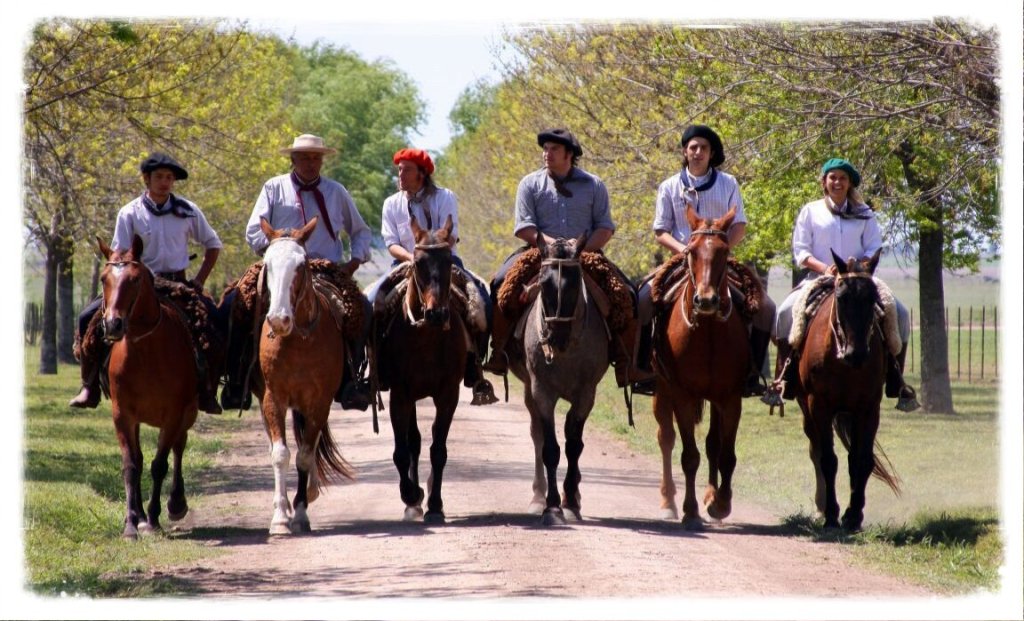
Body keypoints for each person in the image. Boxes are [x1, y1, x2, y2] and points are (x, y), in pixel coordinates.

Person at [481, 128, 652, 388]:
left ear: (569, 154)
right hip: (538, 254)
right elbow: (524, 227)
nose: (546, 154)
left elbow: (604, 228)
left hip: (585, 255)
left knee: (626, 293)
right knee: (500, 284)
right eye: (545, 148)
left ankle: (624, 362)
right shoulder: (530, 183)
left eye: (553, 149)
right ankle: (499, 352)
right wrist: (556, 246)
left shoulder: (594, 185)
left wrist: (579, 250)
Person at [221, 134, 373, 410]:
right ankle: (236, 380)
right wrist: (275, 251)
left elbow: (360, 231)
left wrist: (353, 262)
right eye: (304, 157)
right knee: (235, 304)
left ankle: (352, 380)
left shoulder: (336, 191)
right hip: (280, 265)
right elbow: (254, 229)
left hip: (325, 269)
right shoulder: (274, 187)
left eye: (316, 158)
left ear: (322, 161)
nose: (310, 163)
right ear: (292, 159)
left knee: (361, 308)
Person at [69, 152, 225, 414]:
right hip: (135, 284)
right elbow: (118, 254)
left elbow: (213, 244)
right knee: (88, 318)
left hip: (178, 285)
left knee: (213, 321)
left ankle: (208, 390)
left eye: (169, 178)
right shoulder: (129, 212)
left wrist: (199, 280)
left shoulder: (188, 211)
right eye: (159, 177)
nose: (165, 182)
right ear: (147, 179)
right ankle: (90, 386)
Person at [634, 124, 776, 397]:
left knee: (766, 307)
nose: (697, 152)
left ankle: (753, 374)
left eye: (703, 148)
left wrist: (721, 251)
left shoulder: (729, 183)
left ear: (712, 154)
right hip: (681, 258)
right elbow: (661, 230)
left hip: (720, 261)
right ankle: (644, 370)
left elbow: (740, 226)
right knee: (642, 300)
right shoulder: (669, 186)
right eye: (692, 147)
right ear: (685, 152)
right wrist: (684, 251)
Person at [769, 157, 919, 411]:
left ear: (849, 184)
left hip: (858, 279)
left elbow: (874, 246)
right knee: (785, 312)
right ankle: (785, 378)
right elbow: (801, 251)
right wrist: (822, 267)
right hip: (820, 278)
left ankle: (896, 381)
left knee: (900, 313)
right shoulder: (810, 211)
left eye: (843, 178)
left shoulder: (864, 213)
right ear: (824, 182)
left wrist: (860, 265)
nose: (837, 182)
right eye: (833, 177)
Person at [365, 148, 496, 404]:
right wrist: (412, 258)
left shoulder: (445, 197)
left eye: (406, 170)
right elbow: (391, 242)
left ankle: (475, 366)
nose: (400, 175)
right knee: (371, 303)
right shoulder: (392, 203)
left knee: (482, 300)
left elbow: (453, 233)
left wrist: (435, 251)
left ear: (422, 174)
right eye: (399, 169)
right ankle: (373, 369)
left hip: (444, 260)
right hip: (403, 261)